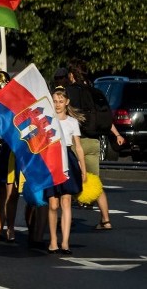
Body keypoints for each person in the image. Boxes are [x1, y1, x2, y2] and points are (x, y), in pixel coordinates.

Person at [64, 60, 123, 231]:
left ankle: (69, 218)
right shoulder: (96, 92)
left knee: (70, 181)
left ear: (71, 75)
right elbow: (105, 118)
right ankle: (106, 219)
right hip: (94, 142)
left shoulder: (68, 93)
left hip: (76, 142)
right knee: (95, 182)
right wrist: (117, 134)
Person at [45, 88, 87, 255]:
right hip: (52, 159)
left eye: (61, 101)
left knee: (66, 201)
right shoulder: (47, 120)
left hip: (68, 160)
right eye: (55, 101)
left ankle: (65, 242)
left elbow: (78, 147)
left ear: (67, 102)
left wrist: (83, 169)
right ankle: (53, 240)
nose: (58, 104)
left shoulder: (72, 122)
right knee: (53, 204)